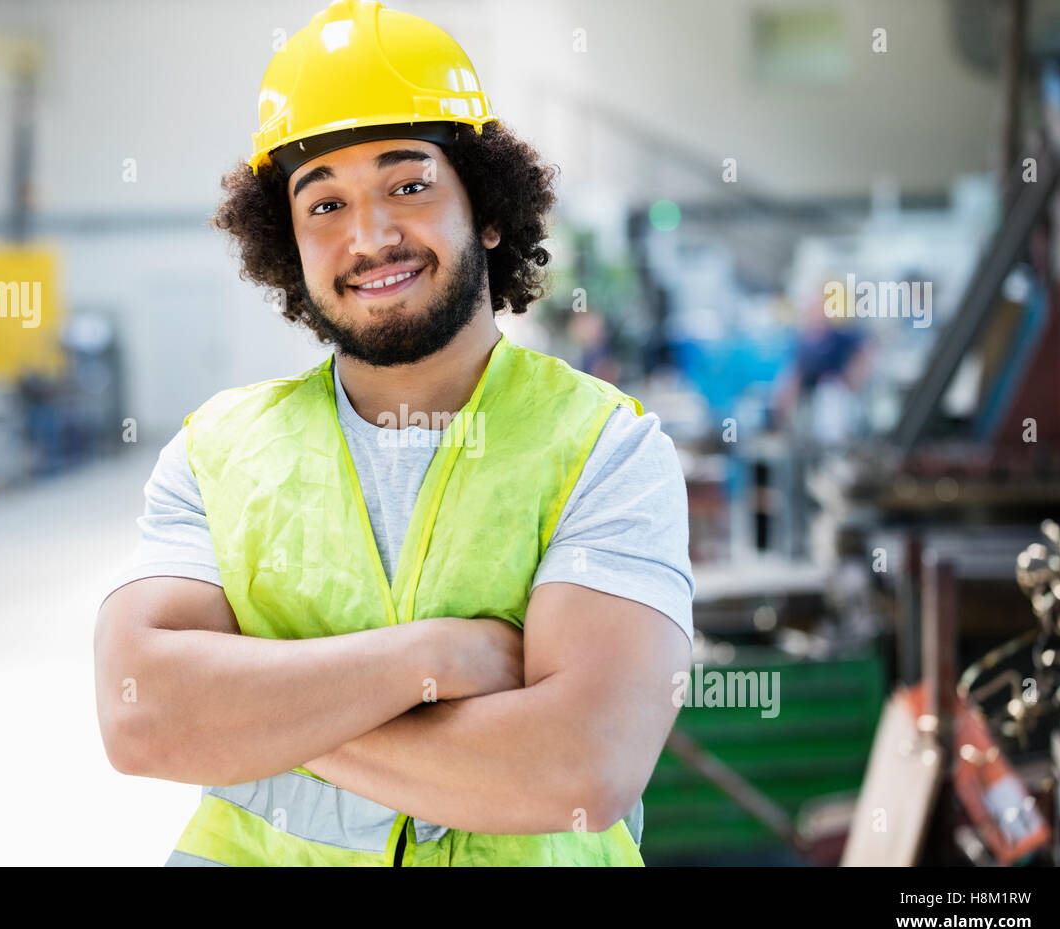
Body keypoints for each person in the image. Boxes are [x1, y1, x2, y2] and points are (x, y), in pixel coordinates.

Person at [94, 0, 695, 867]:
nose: (369, 237)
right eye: (324, 204)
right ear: (287, 243)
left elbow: (578, 768)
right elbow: (140, 714)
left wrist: (249, 716)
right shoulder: (214, 452)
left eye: (407, 186)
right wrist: (440, 656)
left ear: (486, 210)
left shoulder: (605, 451)